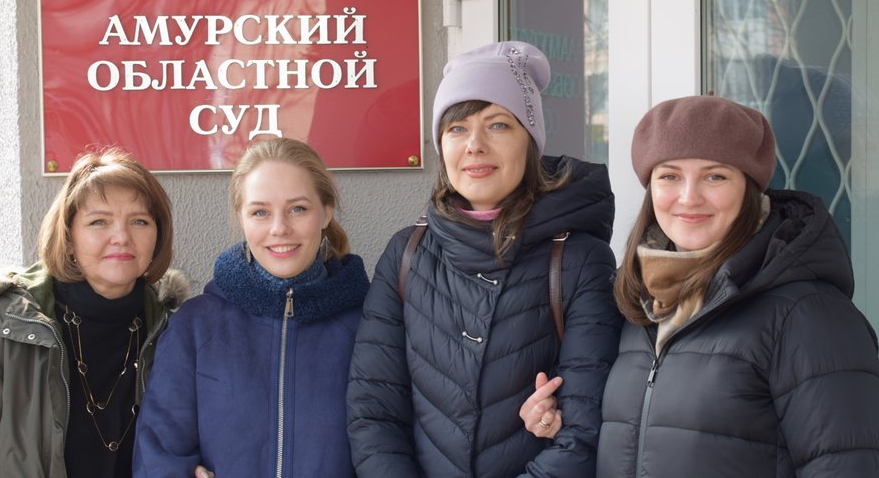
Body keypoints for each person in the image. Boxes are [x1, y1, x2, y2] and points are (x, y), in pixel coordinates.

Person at [346, 40, 623, 477]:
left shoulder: (580, 261)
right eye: (457, 129)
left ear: (528, 142)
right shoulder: (407, 253)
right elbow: (374, 411)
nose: (474, 145)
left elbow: (584, 430)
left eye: (497, 125)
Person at [595, 95, 879, 476]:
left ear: (750, 188)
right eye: (669, 176)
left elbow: (848, 464)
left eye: (715, 176)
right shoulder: (641, 307)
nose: (689, 197)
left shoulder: (806, 314)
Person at [0, 147, 187, 477]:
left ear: (157, 236)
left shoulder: (175, 328)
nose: (121, 237)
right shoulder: (2, 326)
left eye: (139, 221)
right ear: (69, 237)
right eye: (98, 221)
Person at [132, 137, 370, 477]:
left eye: (298, 208)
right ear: (242, 218)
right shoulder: (195, 326)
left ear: (325, 212)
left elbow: (391, 448)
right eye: (260, 212)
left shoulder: (370, 323)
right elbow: (158, 455)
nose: (279, 228)